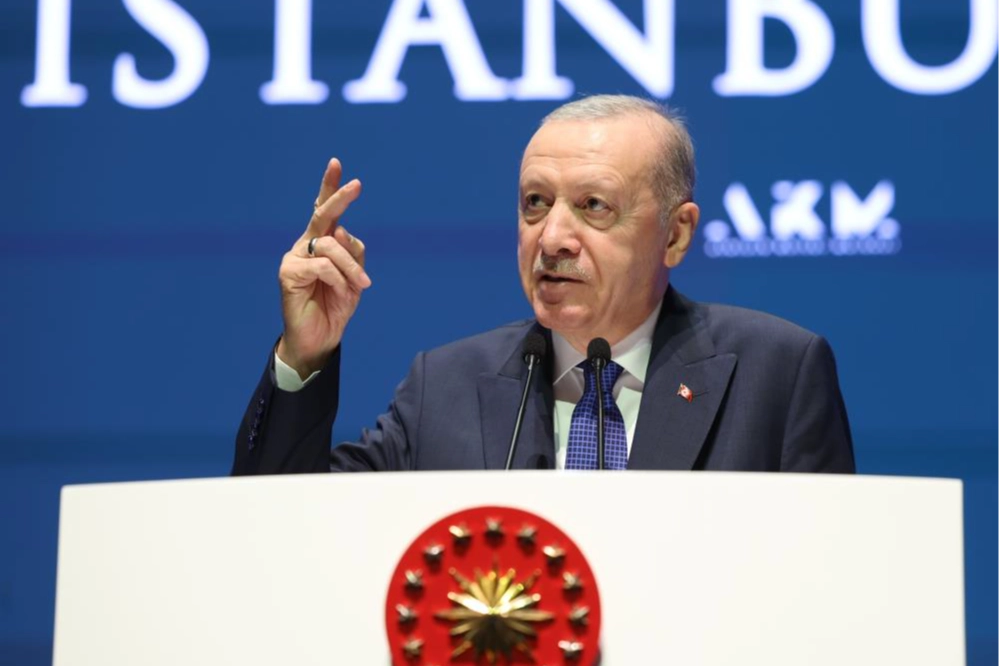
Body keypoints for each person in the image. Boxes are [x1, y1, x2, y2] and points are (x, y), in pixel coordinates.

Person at [232, 95, 854, 475]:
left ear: (675, 234)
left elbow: (828, 582)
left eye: (593, 206)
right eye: (535, 202)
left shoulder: (776, 375)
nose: (552, 236)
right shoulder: (444, 388)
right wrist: (303, 359)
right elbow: (285, 532)